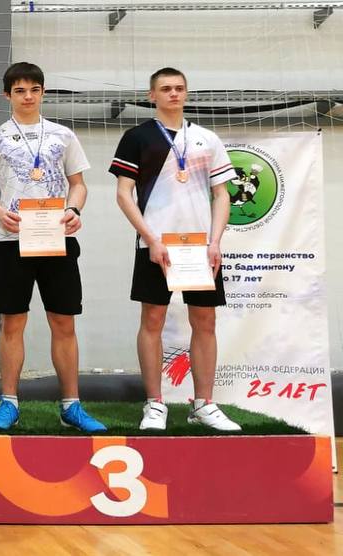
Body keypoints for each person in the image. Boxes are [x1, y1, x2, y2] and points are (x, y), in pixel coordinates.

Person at [0, 62, 106, 433]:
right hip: (12, 241)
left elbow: (78, 184)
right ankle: (9, 403)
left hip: (56, 239)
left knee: (63, 321)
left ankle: (71, 406)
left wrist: (74, 210)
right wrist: (0, 212)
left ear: (43, 92)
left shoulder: (63, 135)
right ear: (7, 95)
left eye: (34, 90)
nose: (27, 96)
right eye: (19, 90)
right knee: (12, 322)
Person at [110, 67, 241, 431]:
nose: (173, 93)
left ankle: (204, 404)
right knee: (152, 319)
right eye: (165, 88)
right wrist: (150, 239)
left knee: (205, 321)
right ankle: (155, 404)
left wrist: (215, 242)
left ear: (187, 92)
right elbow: (123, 194)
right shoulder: (136, 137)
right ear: (151, 95)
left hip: (199, 247)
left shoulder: (206, 138)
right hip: (156, 245)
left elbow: (221, 194)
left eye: (179, 88)